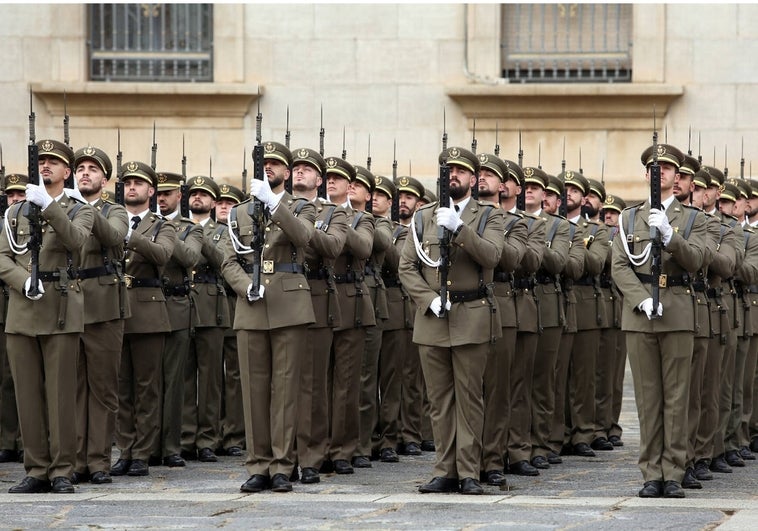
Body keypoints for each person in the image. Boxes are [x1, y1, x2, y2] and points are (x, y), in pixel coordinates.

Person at [399, 146, 505, 495]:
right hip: (432, 318)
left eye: (460, 170)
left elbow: (491, 256)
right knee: (439, 399)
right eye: (448, 170)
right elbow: (407, 266)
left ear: (474, 179)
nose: (453, 175)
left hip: (471, 315)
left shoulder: (488, 216)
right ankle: (445, 469)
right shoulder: (422, 216)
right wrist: (428, 300)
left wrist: (460, 228)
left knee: (469, 398)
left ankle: (470, 471)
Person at [612, 142, 706, 498]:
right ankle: (651, 472)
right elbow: (619, 266)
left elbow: (697, 260)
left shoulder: (691, 219)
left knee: (677, 397)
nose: (659, 172)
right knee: (648, 399)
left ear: (677, 176)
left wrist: (670, 235)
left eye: (666, 167)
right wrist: (640, 301)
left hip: (678, 313)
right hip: (641, 316)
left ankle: (674, 472)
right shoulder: (628, 218)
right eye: (653, 167)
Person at [0, 139, 95, 493]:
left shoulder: (79, 209)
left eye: (54, 162)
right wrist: (23, 281)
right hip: (24, 309)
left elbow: (77, 242)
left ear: (67, 172)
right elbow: (2, 257)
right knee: (27, 394)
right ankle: (36, 468)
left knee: (60, 395)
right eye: (41, 161)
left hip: (60, 308)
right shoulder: (15, 212)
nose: (45, 166)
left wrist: (49, 206)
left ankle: (61, 470)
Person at [222, 141, 316, 493]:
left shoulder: (300, 206)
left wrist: (274, 203)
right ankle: (258, 464)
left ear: (287, 173)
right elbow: (228, 259)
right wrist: (245, 286)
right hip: (252, 305)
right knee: (254, 390)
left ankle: (282, 464)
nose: (269, 168)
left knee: (286, 389)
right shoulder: (239, 213)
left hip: (289, 304)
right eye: (264, 164)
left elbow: (303, 236)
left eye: (276, 164)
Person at [111, 161, 177, 478]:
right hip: (115, 309)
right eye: (128, 182)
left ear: (151, 191)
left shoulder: (163, 225)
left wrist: (131, 235)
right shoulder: (111, 219)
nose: (132, 187)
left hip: (148, 310)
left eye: (138, 183)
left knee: (146, 386)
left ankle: (142, 452)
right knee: (121, 386)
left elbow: (163, 255)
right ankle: (124, 449)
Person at [72, 146, 130, 485]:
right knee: (75, 387)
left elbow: (114, 236)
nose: (85, 173)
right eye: (80, 168)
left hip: (104, 306)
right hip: (69, 304)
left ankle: (98, 460)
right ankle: (76, 458)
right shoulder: (61, 210)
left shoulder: (114, 210)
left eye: (92, 169)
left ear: (104, 180)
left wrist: (84, 211)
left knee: (103, 389)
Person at [291, 147, 348, 484]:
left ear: (319, 179)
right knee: (282, 384)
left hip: (314, 295)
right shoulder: (272, 207)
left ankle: (311, 455)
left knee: (313, 384)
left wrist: (299, 226)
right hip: (277, 297)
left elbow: (331, 247)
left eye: (307, 169)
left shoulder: (332, 213)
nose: (300, 172)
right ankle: (281, 454)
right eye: (295, 167)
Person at [476, 154, 528, 486]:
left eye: (490, 175)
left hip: (500, 304)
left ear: (505, 185)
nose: (482, 178)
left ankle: (493, 457)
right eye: (477, 174)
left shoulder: (515, 222)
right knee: (466, 389)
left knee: (496, 389)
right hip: (463, 304)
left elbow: (510, 258)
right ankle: (465, 457)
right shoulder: (459, 216)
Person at [323, 155, 376, 475]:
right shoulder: (311, 212)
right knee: (316, 382)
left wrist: (339, 221)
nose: (332, 182)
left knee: (347, 384)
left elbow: (364, 247)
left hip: (350, 300)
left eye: (339, 179)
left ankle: (343, 448)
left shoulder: (361, 219)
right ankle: (317, 445)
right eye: (327, 177)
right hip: (319, 300)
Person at [154, 171, 203, 467]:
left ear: (178, 197)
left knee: (174, 381)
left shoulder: (189, 228)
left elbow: (190, 258)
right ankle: (142, 445)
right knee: (143, 382)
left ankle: (171, 446)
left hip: (175, 304)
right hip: (145, 303)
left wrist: (164, 233)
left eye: (167, 194)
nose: (162, 198)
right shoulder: (143, 223)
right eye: (158, 193)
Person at [184, 175, 230, 462]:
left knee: (211, 378)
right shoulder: (178, 226)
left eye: (204, 195)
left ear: (213, 202)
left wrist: (199, 239)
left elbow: (224, 260)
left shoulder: (221, 231)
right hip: (183, 302)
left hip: (211, 304)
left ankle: (208, 439)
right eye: (194, 194)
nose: (198, 198)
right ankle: (186, 436)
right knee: (185, 377)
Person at [215, 183, 247, 457]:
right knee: (214, 378)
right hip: (212, 308)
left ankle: (235, 433)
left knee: (236, 375)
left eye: (229, 203)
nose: (223, 207)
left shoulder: (227, 231)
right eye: (220, 202)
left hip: (236, 303)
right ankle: (215, 432)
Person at [0, 173, 27, 464]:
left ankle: (24, 440)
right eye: (10, 196)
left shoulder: (28, 223)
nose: (15, 200)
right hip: (4, 307)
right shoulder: (4, 226)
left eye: (20, 195)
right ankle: (8, 439)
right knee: (6, 379)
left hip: (21, 304)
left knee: (22, 377)